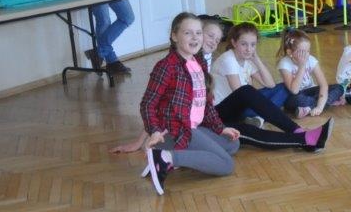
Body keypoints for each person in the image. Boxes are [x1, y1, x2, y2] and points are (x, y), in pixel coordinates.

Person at [116, 17, 330, 156]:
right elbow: (155, 103)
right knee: (245, 126)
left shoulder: (200, 60)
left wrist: (255, 58)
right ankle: (302, 138)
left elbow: (267, 84)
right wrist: (141, 139)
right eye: (208, 35)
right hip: (203, 120)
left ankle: (302, 135)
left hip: (212, 115)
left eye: (216, 39)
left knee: (255, 95)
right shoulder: (175, 64)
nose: (212, 41)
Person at [139, 13, 241, 194]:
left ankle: (171, 156)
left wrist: (220, 128)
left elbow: (206, 104)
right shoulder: (167, 66)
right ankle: (167, 157)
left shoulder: (198, 62)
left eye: (198, 33)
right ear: (174, 36)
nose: (195, 38)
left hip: (192, 127)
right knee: (226, 164)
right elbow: (148, 104)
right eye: (188, 33)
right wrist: (154, 131)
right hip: (176, 131)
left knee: (232, 143)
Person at [277, 28, 345, 115]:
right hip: (295, 96)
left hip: (311, 91)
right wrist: (302, 66)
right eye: (302, 52)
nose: (306, 55)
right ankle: (324, 103)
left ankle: (309, 108)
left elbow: (323, 85)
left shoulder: (311, 59)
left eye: (308, 51)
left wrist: (320, 107)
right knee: (298, 100)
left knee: (339, 88)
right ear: (290, 52)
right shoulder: (284, 64)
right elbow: (294, 90)